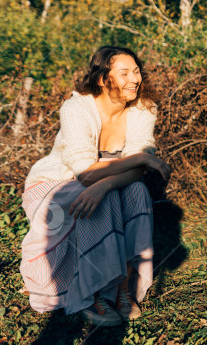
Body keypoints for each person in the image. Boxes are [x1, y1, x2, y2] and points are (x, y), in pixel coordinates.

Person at [19, 46, 172, 327]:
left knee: (135, 192)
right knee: (107, 195)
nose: (134, 79)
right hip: (57, 181)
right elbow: (85, 173)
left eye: (136, 71)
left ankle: (122, 287)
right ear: (103, 79)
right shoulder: (77, 108)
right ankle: (94, 292)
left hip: (106, 183)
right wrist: (138, 159)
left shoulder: (144, 108)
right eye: (124, 73)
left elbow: (137, 173)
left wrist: (108, 183)